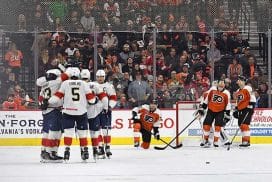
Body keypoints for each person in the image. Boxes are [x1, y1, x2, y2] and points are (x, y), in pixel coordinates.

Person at [48, 67, 96, 161]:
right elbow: (91, 99)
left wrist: (48, 102)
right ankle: (84, 150)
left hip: (68, 112)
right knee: (82, 133)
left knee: (68, 133)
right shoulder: (84, 84)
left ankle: (67, 150)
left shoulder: (65, 83)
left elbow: (58, 96)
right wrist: (94, 100)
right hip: (81, 112)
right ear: (79, 75)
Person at [37, 69, 64, 162]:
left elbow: (40, 98)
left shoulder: (44, 85)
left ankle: (44, 152)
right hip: (54, 110)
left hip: (46, 111)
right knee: (55, 132)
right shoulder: (56, 82)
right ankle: (50, 153)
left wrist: (41, 104)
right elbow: (66, 76)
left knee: (46, 132)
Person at [90, 69, 117, 159]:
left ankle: (107, 147)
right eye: (98, 76)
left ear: (104, 77)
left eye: (101, 76)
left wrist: (110, 107)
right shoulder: (92, 85)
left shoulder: (109, 86)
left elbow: (113, 97)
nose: (100, 78)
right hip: (95, 110)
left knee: (106, 130)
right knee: (97, 130)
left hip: (105, 110)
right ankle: (101, 148)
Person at [197, 80, 231, 147]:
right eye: (217, 84)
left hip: (220, 111)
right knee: (206, 125)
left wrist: (227, 114)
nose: (220, 85)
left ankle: (219, 141)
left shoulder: (226, 93)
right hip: (210, 110)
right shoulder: (211, 91)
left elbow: (227, 104)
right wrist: (201, 109)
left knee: (218, 127)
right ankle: (206, 140)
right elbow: (205, 100)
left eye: (222, 84)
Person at [233, 75, 256, 147]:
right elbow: (238, 101)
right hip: (241, 110)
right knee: (241, 125)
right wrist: (236, 109)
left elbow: (252, 98)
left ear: (243, 81)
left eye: (239, 80)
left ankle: (246, 141)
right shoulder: (238, 91)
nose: (237, 82)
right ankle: (244, 140)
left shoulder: (247, 88)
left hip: (247, 109)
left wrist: (251, 107)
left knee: (245, 124)